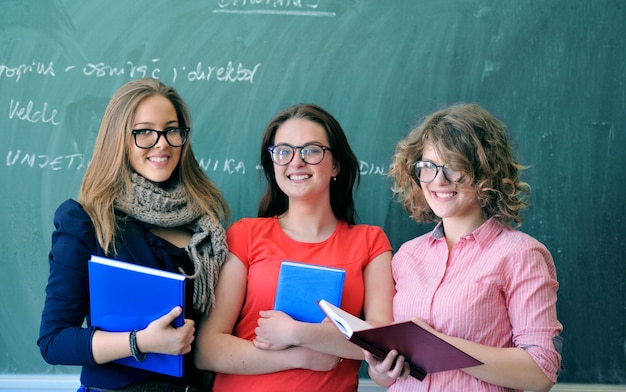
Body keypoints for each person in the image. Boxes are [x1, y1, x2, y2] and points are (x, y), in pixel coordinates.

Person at [38, 78, 230, 391]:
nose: (162, 143)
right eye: (143, 132)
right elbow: (53, 341)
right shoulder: (87, 220)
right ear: (119, 140)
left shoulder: (205, 226)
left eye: (171, 130)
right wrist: (140, 342)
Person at [195, 103, 395, 391]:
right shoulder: (245, 235)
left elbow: (382, 345)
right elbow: (207, 349)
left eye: (311, 150)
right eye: (283, 151)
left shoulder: (370, 242)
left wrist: (297, 332)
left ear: (336, 164)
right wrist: (302, 356)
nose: (296, 162)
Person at [364, 103, 563, 392]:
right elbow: (385, 379)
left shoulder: (520, 254)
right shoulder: (407, 255)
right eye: (428, 167)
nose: (438, 180)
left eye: (454, 167)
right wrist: (381, 367)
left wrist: (441, 346)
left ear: (485, 172)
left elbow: (540, 371)